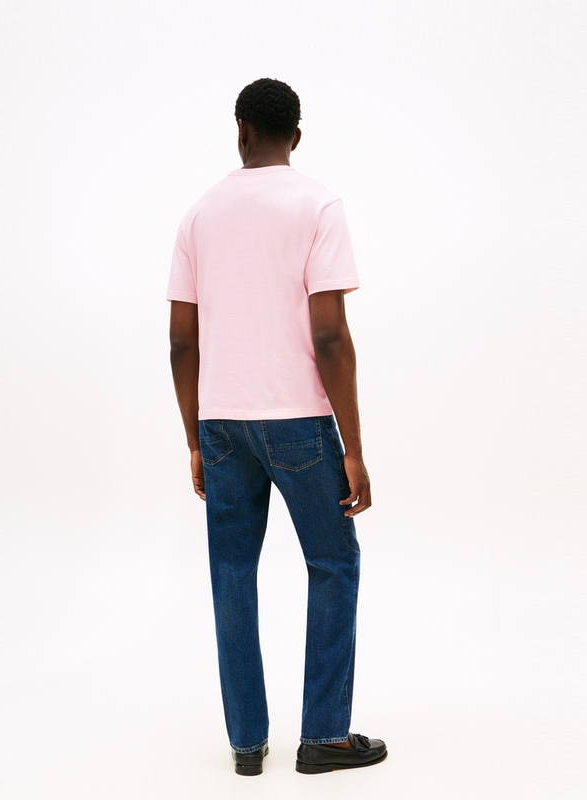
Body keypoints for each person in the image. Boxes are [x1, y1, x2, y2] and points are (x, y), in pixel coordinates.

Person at [166, 77, 386, 776]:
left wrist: (195, 438)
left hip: (223, 424)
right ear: (295, 135)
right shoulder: (317, 204)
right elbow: (330, 336)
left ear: (240, 130)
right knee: (334, 563)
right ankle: (323, 735)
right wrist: (354, 449)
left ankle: (246, 744)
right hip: (298, 424)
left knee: (232, 574)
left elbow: (180, 342)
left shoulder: (199, 215)